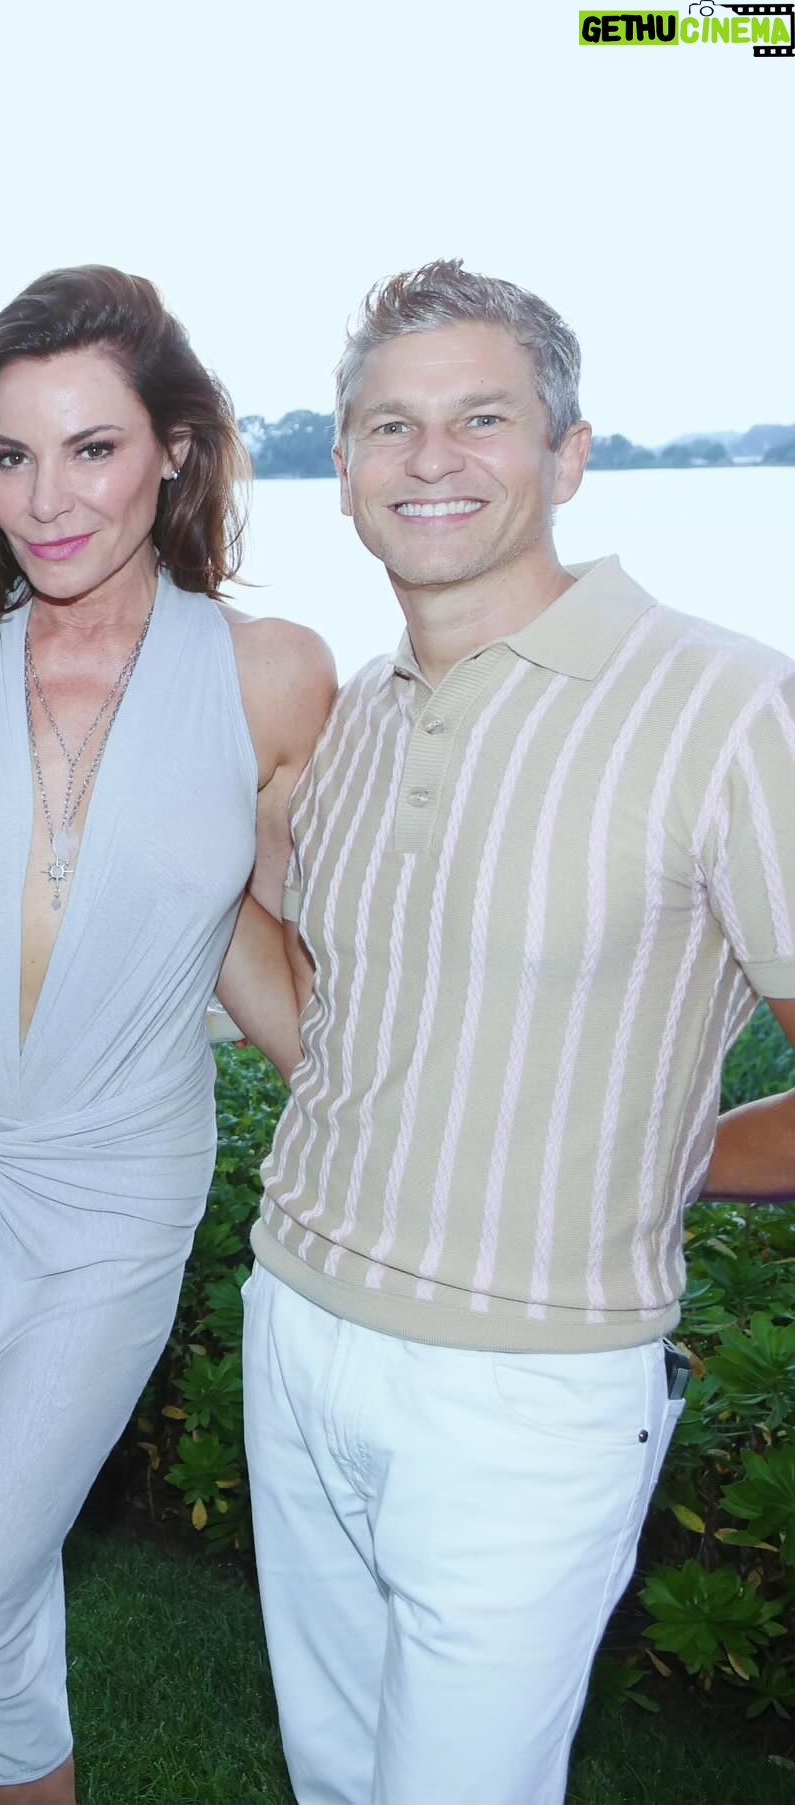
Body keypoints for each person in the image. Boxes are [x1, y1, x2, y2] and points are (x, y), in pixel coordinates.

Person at [244, 258, 795, 1805]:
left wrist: (678, 1155)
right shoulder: (359, 715)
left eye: (481, 418)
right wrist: (191, 872)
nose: (431, 458)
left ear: (567, 454)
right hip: (296, 1321)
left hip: (531, 1389)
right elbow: (337, 1037)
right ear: (344, 467)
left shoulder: (729, 707)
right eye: (390, 424)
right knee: (333, 1779)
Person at [0, 265, 334, 1804]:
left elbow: (267, 954)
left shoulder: (273, 677)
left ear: (176, 449)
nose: (46, 500)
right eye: (11, 456)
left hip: (115, 1189)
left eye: (93, 448)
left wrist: (386, 1121)